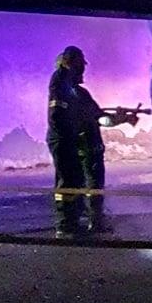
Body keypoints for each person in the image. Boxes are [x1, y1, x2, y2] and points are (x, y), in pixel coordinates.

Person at [47, 46, 109, 237]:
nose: (84, 68)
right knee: (66, 182)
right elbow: (57, 116)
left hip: (71, 141)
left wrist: (118, 118)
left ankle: (73, 222)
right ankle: (65, 225)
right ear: (71, 63)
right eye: (81, 63)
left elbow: (95, 114)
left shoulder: (76, 90)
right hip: (63, 140)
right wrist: (75, 129)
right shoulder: (61, 83)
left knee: (74, 180)